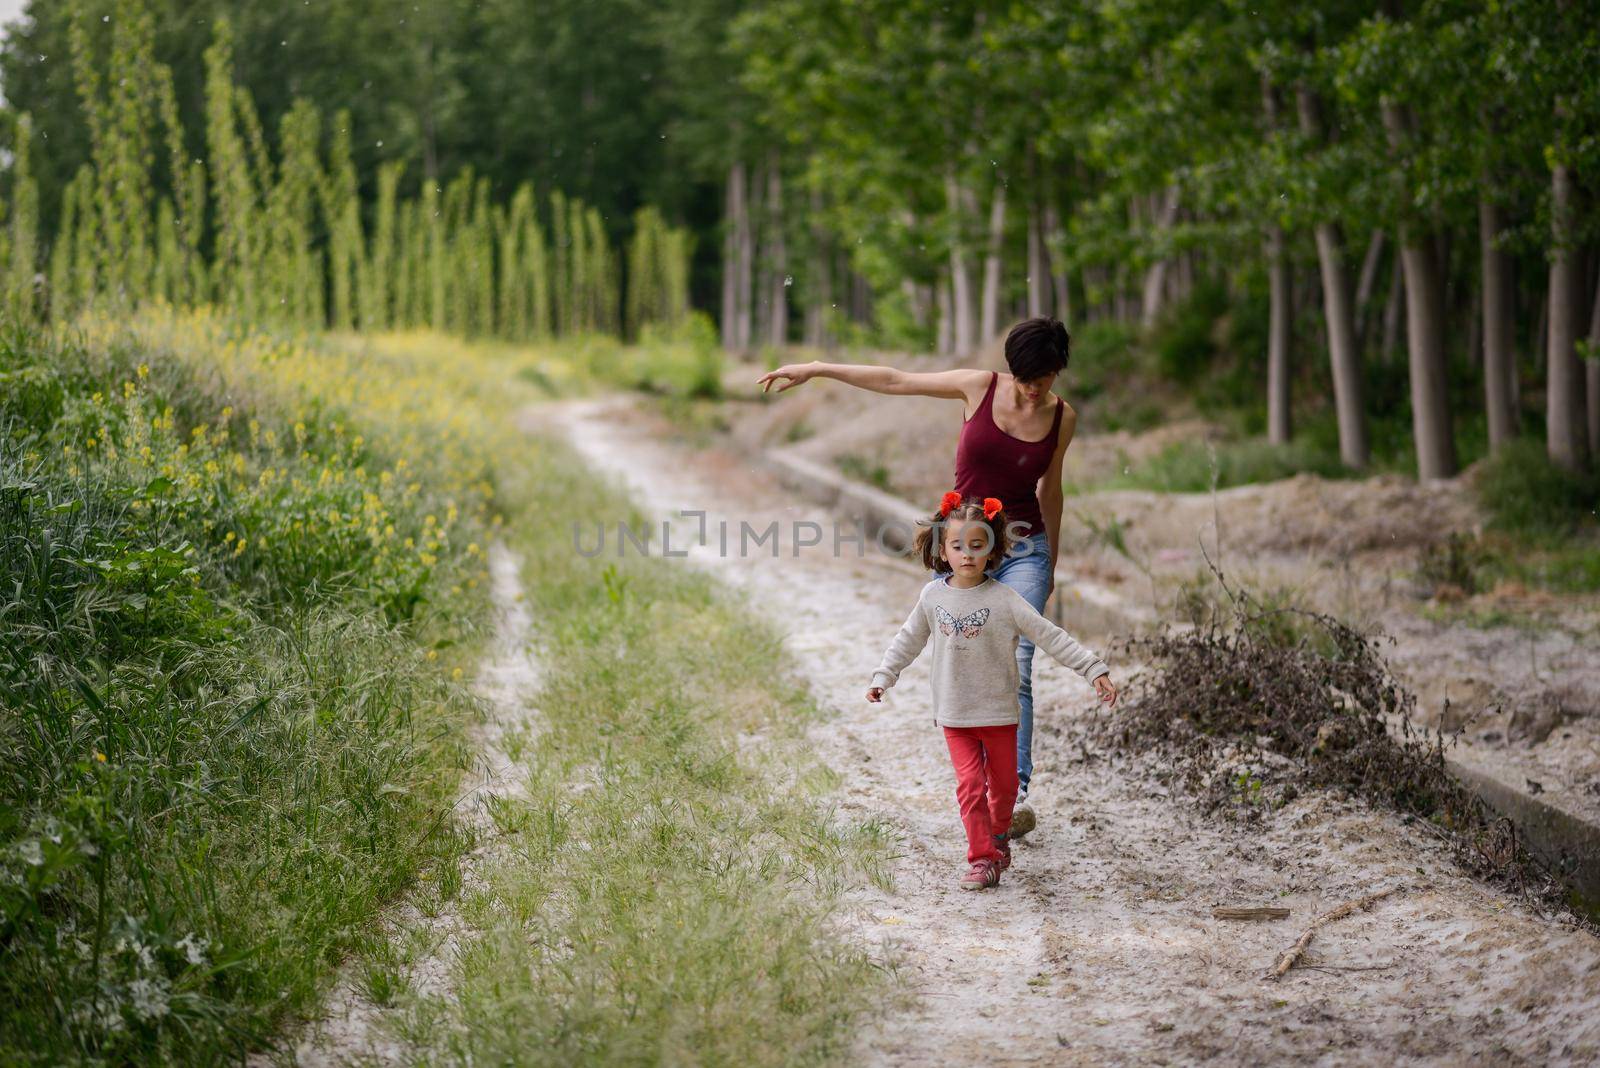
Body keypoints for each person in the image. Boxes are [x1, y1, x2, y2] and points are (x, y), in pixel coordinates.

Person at [760, 318, 1075, 837]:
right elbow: (895, 380)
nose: (1031, 387)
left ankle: (1010, 794)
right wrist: (816, 369)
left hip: (1024, 549)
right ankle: (979, 764)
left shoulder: (1063, 418)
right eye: (1023, 376)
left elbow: (1052, 492)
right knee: (964, 654)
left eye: (1042, 377)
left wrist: (1051, 563)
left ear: (1057, 370)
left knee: (1016, 658)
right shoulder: (979, 386)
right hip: (966, 543)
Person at [866, 494, 1117, 891]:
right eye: (957, 545)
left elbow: (1050, 636)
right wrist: (884, 676)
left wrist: (1092, 668)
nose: (967, 554)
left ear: (992, 549)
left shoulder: (1005, 600)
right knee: (969, 786)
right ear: (942, 550)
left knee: (1004, 789)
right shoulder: (932, 597)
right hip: (955, 714)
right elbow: (907, 640)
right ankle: (982, 858)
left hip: (1000, 714)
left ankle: (998, 838)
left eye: (977, 545)